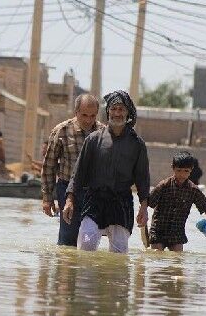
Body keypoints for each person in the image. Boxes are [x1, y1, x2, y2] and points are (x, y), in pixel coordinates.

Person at [63, 90, 150, 254]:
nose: (117, 113)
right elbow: (79, 173)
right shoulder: (94, 139)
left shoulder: (137, 144)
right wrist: (69, 200)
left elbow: (143, 179)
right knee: (86, 244)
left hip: (121, 204)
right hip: (94, 202)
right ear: (108, 111)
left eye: (121, 109)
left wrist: (144, 208)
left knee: (119, 252)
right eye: (114, 109)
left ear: (128, 112)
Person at [41, 94, 104, 246]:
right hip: (67, 189)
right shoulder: (61, 131)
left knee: (89, 239)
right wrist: (47, 198)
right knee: (68, 237)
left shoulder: (104, 133)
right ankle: (65, 268)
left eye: (92, 116)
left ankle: (84, 267)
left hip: (94, 192)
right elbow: (49, 165)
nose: (88, 120)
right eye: (84, 115)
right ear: (76, 112)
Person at [148, 151, 206, 252]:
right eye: (179, 170)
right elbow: (149, 202)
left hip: (177, 233)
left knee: (177, 263)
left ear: (191, 170)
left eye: (186, 171)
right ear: (173, 168)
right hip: (158, 231)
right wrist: (142, 214)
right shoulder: (164, 185)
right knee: (156, 259)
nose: (182, 174)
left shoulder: (193, 190)